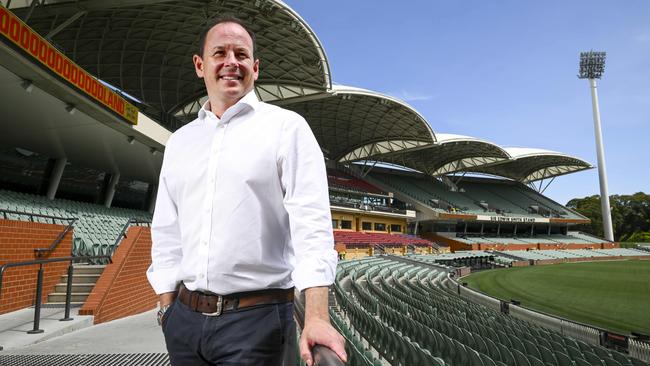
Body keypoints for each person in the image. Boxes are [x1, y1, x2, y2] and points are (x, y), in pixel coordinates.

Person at [146, 15, 347, 366]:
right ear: (200, 65)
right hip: (184, 322)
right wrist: (167, 308)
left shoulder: (287, 128)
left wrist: (316, 316)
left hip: (259, 324)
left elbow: (312, 226)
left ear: (255, 67)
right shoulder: (180, 142)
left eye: (240, 54)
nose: (231, 62)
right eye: (219, 52)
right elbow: (166, 230)